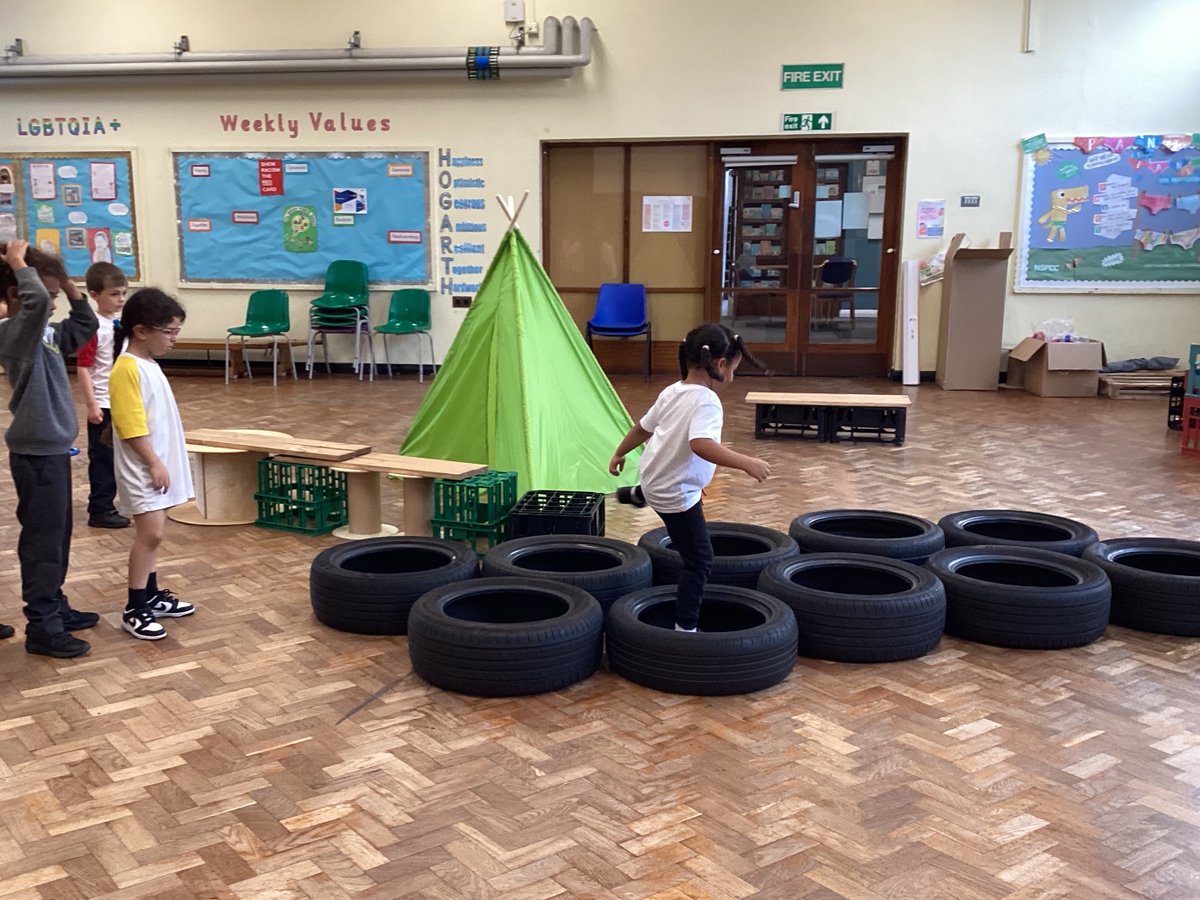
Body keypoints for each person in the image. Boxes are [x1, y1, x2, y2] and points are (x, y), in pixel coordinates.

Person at [608, 323, 770, 632]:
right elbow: (701, 444)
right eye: (734, 370)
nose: (732, 376)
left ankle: (637, 494)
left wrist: (619, 452)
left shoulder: (672, 391)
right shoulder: (707, 401)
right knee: (700, 561)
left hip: (653, 478)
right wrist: (746, 462)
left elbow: (642, 428)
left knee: (658, 488)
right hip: (676, 495)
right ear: (720, 365)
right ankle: (685, 628)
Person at [0, 239, 99, 657]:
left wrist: (69, 284)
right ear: (16, 293)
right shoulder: (13, 333)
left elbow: (85, 325)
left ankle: (55, 605)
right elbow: (38, 301)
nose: (54, 302)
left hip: (52, 449)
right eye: (50, 294)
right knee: (43, 543)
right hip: (36, 453)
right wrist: (18, 262)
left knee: (57, 538)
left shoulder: (46, 333)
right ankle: (42, 626)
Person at [109, 288, 195, 640]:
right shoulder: (126, 368)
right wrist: (154, 463)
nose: (174, 339)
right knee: (151, 534)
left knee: (155, 535)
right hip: (142, 466)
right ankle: (134, 607)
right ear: (141, 331)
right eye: (169, 331)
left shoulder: (148, 364)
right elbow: (129, 425)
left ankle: (151, 595)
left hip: (155, 462)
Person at [75, 261, 130, 529]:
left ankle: (129, 501)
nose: (121, 299)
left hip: (123, 401)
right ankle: (100, 508)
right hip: (103, 402)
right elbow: (83, 367)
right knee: (103, 459)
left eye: (123, 293)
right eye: (114, 294)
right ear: (95, 295)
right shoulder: (93, 327)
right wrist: (92, 405)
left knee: (126, 455)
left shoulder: (122, 325)